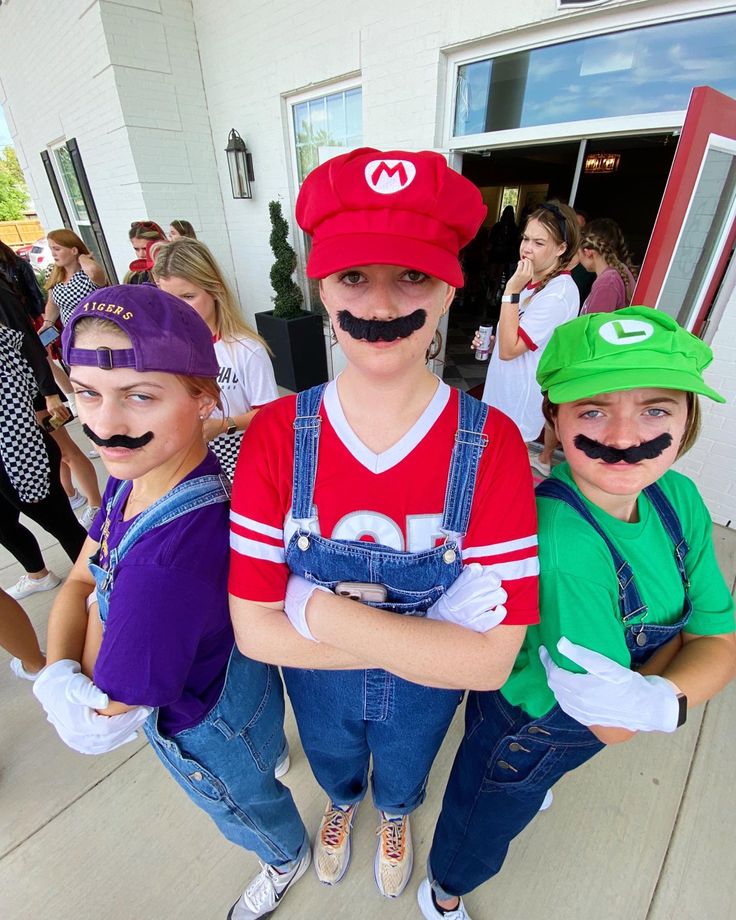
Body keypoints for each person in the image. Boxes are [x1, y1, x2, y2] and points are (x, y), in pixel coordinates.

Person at [228, 148, 540, 900]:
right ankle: (340, 805)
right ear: (320, 286)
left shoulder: (491, 443)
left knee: (404, 772)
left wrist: (309, 605)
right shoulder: (275, 433)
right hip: (328, 688)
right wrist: (433, 643)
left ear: (447, 290)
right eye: (353, 276)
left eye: (411, 276)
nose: (377, 305)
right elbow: (252, 633)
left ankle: (394, 815)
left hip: (409, 697)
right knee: (334, 761)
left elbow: (491, 664)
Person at [419, 306, 736, 920]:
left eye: (656, 408)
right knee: (485, 809)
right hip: (533, 722)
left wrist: (658, 694)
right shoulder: (565, 542)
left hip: (564, 708)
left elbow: (720, 640)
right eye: (593, 409)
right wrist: (670, 683)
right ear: (555, 420)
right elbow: (616, 720)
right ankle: (443, 891)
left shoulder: (679, 496)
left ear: (689, 415)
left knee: (516, 781)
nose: (624, 436)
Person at [33, 284, 310, 920]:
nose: (104, 424)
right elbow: (79, 581)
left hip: (200, 723)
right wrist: (56, 670)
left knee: (239, 800)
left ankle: (282, 853)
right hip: (237, 683)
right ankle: (269, 756)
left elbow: (115, 699)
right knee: (260, 746)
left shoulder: (165, 564)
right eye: (86, 392)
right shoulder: (141, 476)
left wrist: (66, 677)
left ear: (205, 397)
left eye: (140, 395)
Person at [153, 238, 278, 480]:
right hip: (185, 461)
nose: (179, 310)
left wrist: (223, 425)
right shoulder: (164, 349)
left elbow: (269, 415)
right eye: (169, 301)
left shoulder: (245, 349)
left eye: (188, 296)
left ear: (215, 289)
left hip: (240, 459)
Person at [477, 201, 580, 478]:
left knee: (504, 467)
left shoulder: (557, 293)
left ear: (561, 249)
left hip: (519, 398)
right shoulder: (531, 284)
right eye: (525, 239)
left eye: (538, 242)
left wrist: (510, 290)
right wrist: (491, 340)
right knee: (493, 463)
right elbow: (510, 339)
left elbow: (511, 350)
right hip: (503, 390)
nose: (526, 248)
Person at [0, 276, 86, 601]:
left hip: (19, 449)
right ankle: (37, 573)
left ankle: (105, 589)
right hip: (15, 444)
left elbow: (28, 349)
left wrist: (47, 396)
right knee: (5, 523)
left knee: (61, 522)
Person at [38, 229, 106, 522]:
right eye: (51, 248)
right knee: (80, 382)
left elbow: (99, 278)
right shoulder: (56, 280)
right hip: (70, 339)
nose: (54, 253)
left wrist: (85, 258)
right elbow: (52, 310)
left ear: (73, 249)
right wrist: (45, 327)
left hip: (95, 334)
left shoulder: (86, 272)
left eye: (59, 248)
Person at [579, 218, 636, 314]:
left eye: (578, 251)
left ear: (588, 252)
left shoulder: (607, 282)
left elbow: (596, 326)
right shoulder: (619, 271)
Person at [0, 239, 45, 320]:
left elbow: (35, 292)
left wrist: (42, 313)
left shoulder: (20, 265)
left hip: (29, 313)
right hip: (11, 315)